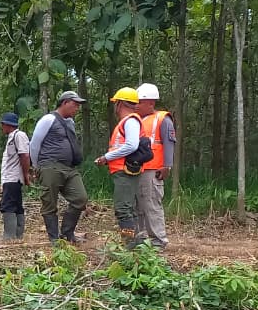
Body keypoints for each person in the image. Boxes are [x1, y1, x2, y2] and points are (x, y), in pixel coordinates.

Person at [30, 91, 89, 243]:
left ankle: (67, 233)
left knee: (80, 198)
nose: (77, 108)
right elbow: (35, 144)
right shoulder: (48, 119)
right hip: (50, 165)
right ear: (64, 103)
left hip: (69, 168)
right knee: (50, 202)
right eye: (74, 104)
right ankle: (54, 239)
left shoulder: (70, 123)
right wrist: (37, 166)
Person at [95, 87, 144, 246]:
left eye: (116, 103)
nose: (115, 107)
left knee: (123, 210)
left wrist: (106, 157)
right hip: (123, 171)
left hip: (125, 172)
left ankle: (130, 246)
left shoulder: (130, 121)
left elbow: (131, 145)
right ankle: (136, 245)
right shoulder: (127, 122)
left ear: (120, 104)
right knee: (128, 209)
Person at [134, 83, 176, 249]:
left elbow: (169, 142)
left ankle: (158, 240)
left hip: (154, 170)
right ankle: (141, 240)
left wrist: (167, 166)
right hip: (138, 169)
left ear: (150, 102)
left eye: (139, 102)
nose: (136, 105)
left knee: (151, 205)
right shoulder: (137, 119)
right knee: (138, 206)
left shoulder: (163, 119)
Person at [0, 113, 32, 241]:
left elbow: (25, 156)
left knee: (8, 205)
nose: (2, 127)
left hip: (14, 178)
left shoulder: (19, 136)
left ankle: (9, 236)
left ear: (7, 125)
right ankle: (17, 236)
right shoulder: (12, 138)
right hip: (10, 178)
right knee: (16, 205)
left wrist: (25, 175)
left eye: (3, 124)